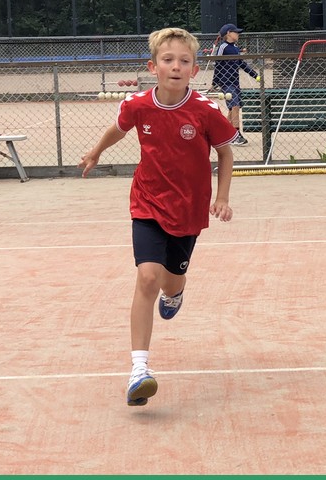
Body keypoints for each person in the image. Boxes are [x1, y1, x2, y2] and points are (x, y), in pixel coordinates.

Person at [79, 27, 238, 406]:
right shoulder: (138, 105)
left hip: (189, 208)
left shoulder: (205, 110)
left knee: (169, 282)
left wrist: (222, 197)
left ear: (194, 70)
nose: (176, 66)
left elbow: (225, 152)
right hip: (147, 202)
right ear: (153, 67)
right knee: (148, 277)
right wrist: (95, 152)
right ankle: (139, 370)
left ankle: (177, 291)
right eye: (168, 60)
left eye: (184, 61)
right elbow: (118, 129)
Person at [213, 23, 261, 145]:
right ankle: (236, 135)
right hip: (226, 82)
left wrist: (255, 75)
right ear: (229, 33)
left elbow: (242, 64)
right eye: (236, 32)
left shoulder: (235, 47)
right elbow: (218, 65)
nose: (238, 34)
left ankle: (224, 133)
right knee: (234, 105)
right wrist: (214, 83)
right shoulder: (223, 47)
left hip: (235, 82)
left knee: (233, 108)